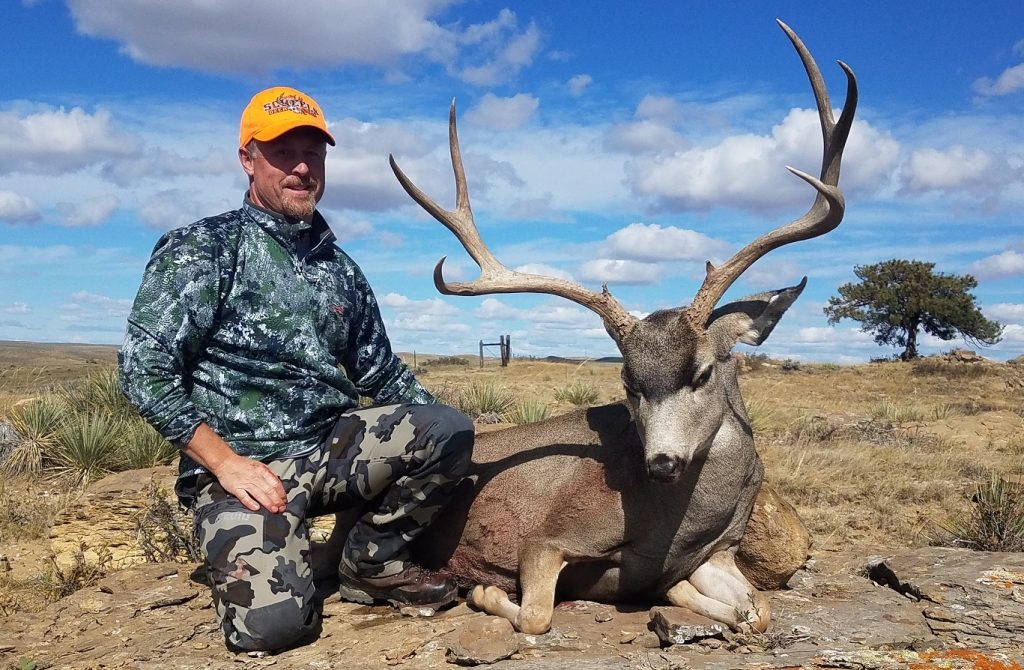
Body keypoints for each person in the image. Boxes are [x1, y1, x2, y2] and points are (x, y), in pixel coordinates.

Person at [118, 86, 474, 653]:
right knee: (275, 630)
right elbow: (145, 372)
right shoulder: (202, 248)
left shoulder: (341, 269)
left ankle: (371, 562)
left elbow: (383, 376)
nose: (302, 167)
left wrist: (471, 438)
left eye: (315, 153)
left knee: (449, 430)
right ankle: (259, 545)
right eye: (284, 152)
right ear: (248, 159)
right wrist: (226, 465)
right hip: (244, 469)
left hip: (329, 451)